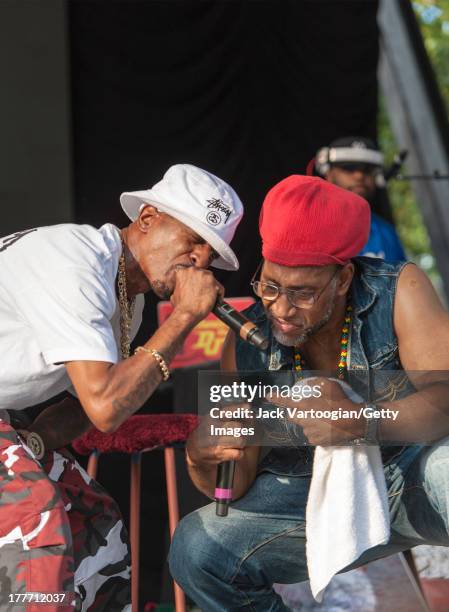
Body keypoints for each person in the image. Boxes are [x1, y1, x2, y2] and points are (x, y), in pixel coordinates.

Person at [169, 175, 449, 611]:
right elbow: (231, 488)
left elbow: (445, 395)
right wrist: (202, 460)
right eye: (270, 285)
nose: (280, 308)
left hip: (412, 479)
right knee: (197, 547)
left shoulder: (399, 288)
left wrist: (364, 420)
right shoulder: (243, 345)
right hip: (301, 501)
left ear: (342, 279)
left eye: (302, 293)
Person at [0, 163, 243, 610]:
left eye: (208, 255)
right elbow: (107, 407)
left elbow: (82, 410)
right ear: (148, 218)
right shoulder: (75, 261)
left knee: (96, 523)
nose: (198, 261)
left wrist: (32, 442)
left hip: (6, 420)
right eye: (193, 241)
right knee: (35, 515)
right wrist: (185, 318)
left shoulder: (127, 299)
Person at [315, 136, 406, 260]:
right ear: (329, 174)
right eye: (349, 168)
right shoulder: (311, 225)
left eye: (368, 170)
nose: (359, 176)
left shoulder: (386, 231)